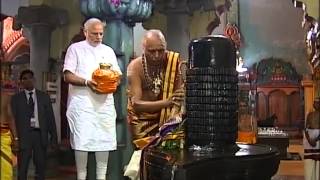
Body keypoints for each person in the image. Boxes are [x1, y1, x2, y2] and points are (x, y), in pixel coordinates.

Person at [63, 18, 122, 180]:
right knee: (82, 141)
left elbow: (118, 76)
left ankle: (101, 177)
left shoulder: (108, 51)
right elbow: (67, 75)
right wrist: (87, 82)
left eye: (101, 33)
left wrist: (112, 82)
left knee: (104, 140)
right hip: (82, 107)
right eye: (94, 33)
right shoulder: (75, 49)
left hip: (104, 107)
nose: (98, 37)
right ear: (85, 32)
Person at [127, 29, 185, 149]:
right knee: (144, 157)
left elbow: (177, 97)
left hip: (166, 118)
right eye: (152, 51)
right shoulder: (135, 67)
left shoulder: (172, 61)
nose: (157, 55)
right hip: (142, 120)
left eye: (161, 50)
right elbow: (136, 104)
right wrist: (166, 102)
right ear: (143, 49)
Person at [10, 69, 58, 180]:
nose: (28, 81)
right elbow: (12, 119)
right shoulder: (16, 99)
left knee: (41, 168)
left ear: (34, 79)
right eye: (24, 79)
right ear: (21, 82)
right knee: (22, 169)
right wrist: (14, 139)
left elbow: (50, 119)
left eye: (30, 78)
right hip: (24, 136)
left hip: (39, 136)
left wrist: (54, 138)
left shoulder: (44, 97)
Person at [1, 90, 18, 180]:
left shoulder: (5, 97)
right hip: (4, 137)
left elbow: (10, 118)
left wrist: (15, 138)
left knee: (6, 170)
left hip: (3, 137)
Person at [304, 97, 320, 180]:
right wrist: (309, 140)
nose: (316, 104)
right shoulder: (309, 115)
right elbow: (305, 129)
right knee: (309, 161)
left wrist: (315, 140)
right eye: (315, 103)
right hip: (309, 142)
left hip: (318, 141)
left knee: (318, 163)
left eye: (318, 103)